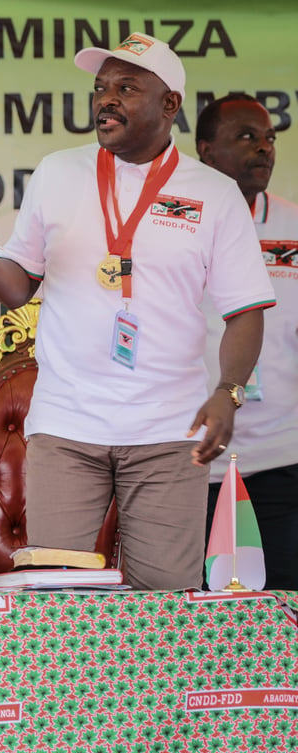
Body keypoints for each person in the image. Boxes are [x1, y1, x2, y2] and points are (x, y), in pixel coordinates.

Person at [0, 33, 275, 590]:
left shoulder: (215, 193)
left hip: (168, 431)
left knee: (165, 608)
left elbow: (245, 311)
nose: (106, 99)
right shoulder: (58, 173)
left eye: (126, 88)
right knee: (58, 610)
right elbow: (18, 288)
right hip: (66, 426)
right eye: (101, 88)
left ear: (170, 105)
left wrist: (228, 391)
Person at [196, 93, 298, 590]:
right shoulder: (174, 221)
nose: (264, 149)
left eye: (269, 138)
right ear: (205, 150)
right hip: (188, 461)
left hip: (282, 459)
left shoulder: (293, 225)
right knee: (189, 619)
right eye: (246, 137)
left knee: (283, 609)